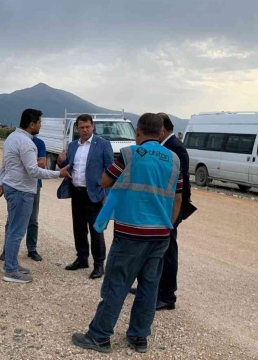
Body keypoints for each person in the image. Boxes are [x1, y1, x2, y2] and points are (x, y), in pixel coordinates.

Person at [71, 113, 183, 354]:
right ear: (161, 131)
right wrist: (167, 225)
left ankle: (99, 336)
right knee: (149, 287)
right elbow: (178, 199)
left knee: (116, 284)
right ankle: (139, 336)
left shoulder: (130, 154)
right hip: (161, 235)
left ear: (138, 133)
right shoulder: (174, 160)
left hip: (131, 234)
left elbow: (104, 181)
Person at [0, 109, 71, 284]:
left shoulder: (11, 138)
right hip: (21, 191)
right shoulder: (26, 143)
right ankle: (11, 270)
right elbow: (33, 170)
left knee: (13, 228)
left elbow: (5, 165)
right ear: (31, 124)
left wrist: (2, 182)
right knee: (16, 231)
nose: (41, 125)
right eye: (39, 122)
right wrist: (58, 173)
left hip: (13, 187)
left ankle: (10, 263)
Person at [128, 113, 192, 311]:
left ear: (162, 130)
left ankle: (167, 295)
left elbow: (177, 185)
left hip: (170, 208)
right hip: (160, 207)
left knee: (168, 250)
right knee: (153, 249)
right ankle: (150, 288)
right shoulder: (166, 147)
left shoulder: (176, 149)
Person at [56, 114, 114, 279]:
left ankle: (98, 265)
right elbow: (69, 167)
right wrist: (61, 162)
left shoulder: (103, 145)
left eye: (87, 126)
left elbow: (111, 171)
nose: (85, 130)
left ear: (92, 126)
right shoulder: (73, 146)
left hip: (95, 195)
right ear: (77, 128)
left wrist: (106, 194)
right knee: (79, 229)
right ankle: (82, 259)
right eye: (81, 127)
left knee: (96, 231)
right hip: (77, 193)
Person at [0, 135, 47, 262]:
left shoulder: (39, 143)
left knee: (33, 219)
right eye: (38, 122)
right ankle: (6, 250)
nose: (39, 125)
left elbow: (43, 163)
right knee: (11, 219)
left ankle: (32, 249)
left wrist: (24, 163)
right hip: (16, 185)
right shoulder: (15, 140)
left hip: (34, 185)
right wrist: (1, 183)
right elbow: (5, 163)